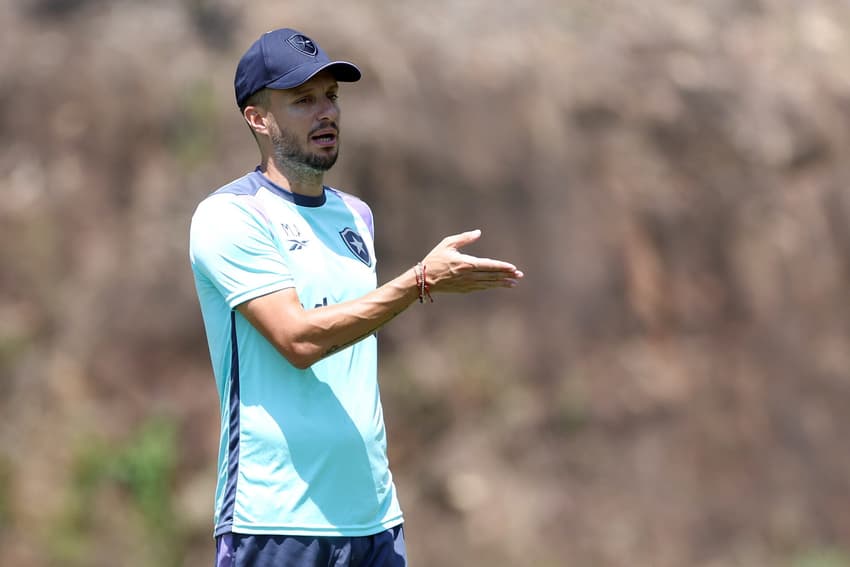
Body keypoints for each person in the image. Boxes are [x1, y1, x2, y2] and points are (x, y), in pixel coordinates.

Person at [189, 27, 523, 567]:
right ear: (257, 118)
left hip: (373, 518)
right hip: (276, 521)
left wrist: (418, 282)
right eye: (303, 101)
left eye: (332, 97)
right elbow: (296, 338)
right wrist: (417, 282)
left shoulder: (356, 216)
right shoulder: (228, 217)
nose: (326, 113)